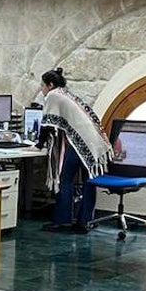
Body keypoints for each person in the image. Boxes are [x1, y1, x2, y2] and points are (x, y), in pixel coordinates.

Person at [35, 68, 113, 233]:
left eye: (42, 85)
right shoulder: (67, 94)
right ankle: (84, 221)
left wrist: (38, 145)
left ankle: (62, 221)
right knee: (88, 180)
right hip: (95, 140)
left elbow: (47, 124)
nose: (41, 89)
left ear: (50, 85)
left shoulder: (53, 95)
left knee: (65, 179)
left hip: (81, 141)